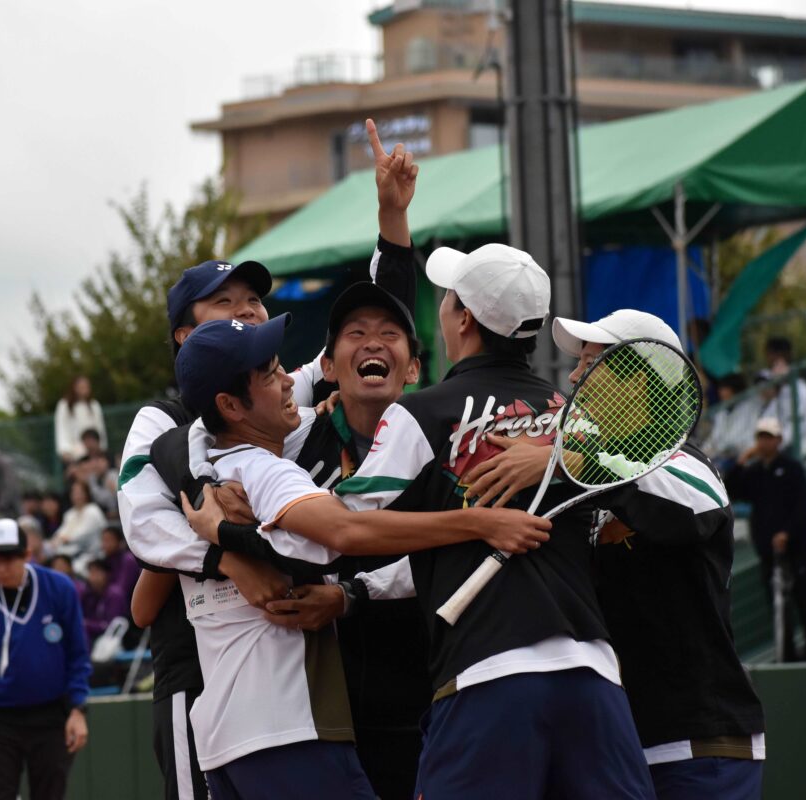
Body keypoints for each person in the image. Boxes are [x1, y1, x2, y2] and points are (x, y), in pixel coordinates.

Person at [119, 119, 430, 800]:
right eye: (225, 304)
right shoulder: (163, 422)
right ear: (184, 336)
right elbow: (143, 530)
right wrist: (228, 553)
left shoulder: (277, 397)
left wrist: (392, 219)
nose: (247, 312)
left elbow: (372, 340)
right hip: (197, 665)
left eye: (254, 301)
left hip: (291, 667)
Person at [322, 243, 655, 799]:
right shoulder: (576, 421)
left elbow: (341, 526)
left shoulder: (419, 413)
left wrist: (239, 517)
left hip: (487, 678)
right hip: (594, 676)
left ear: (465, 319)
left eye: (448, 298)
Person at [171, 315, 547, 799]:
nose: (288, 381)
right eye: (269, 375)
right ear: (228, 405)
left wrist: (221, 539)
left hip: (224, 744)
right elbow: (347, 531)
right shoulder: (264, 471)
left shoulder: (197, 477)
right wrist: (479, 523)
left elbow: (145, 596)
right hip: (289, 730)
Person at [465, 309, 768, 799]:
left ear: (637, 384)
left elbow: (695, 503)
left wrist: (562, 461)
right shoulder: (587, 479)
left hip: (701, 746)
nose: (573, 377)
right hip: (617, 746)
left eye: (589, 363)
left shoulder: (685, 460)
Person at [0, 519, 91, 800]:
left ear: (26, 554)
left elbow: (77, 653)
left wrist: (78, 709)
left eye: (8, 559)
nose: (0, 568)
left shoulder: (59, 588)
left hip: (52, 713)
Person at [726, 417, 806, 662]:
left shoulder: (792, 468)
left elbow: (802, 505)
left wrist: (787, 533)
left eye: (768, 437)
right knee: (777, 602)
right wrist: (742, 460)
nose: (764, 442)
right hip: (768, 550)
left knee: (804, 595)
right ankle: (786, 651)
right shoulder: (755, 472)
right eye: (760, 437)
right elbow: (731, 489)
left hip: (796, 547)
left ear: (779, 440)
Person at [760, 336, 806, 457]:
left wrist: (775, 444)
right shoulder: (777, 395)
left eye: (772, 357)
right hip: (786, 449)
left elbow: (800, 429)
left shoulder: (801, 391)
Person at [55, 376, 106, 466]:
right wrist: (64, 450)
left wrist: (101, 448)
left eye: (86, 387)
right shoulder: (64, 405)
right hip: (73, 453)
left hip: (93, 453)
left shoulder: (94, 405)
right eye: (82, 387)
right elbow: (61, 429)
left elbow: (100, 429)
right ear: (75, 388)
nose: (85, 390)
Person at [52, 481, 106, 564]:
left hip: (93, 554)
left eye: (80, 493)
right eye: (74, 493)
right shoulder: (69, 514)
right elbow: (62, 531)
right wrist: (56, 539)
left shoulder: (93, 510)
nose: (77, 496)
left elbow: (82, 534)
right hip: (73, 553)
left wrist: (64, 539)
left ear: (87, 494)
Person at [79, 559, 126, 648]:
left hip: (114, 640)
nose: (93, 577)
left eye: (97, 572)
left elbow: (112, 625)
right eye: (91, 572)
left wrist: (86, 624)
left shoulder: (115, 594)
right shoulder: (89, 594)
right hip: (95, 636)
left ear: (107, 574)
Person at [99, 525, 139, 604]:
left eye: (108, 540)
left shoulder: (128, 560)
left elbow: (121, 591)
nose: (104, 544)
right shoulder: (105, 560)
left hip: (128, 604)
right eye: (103, 540)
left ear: (120, 542)